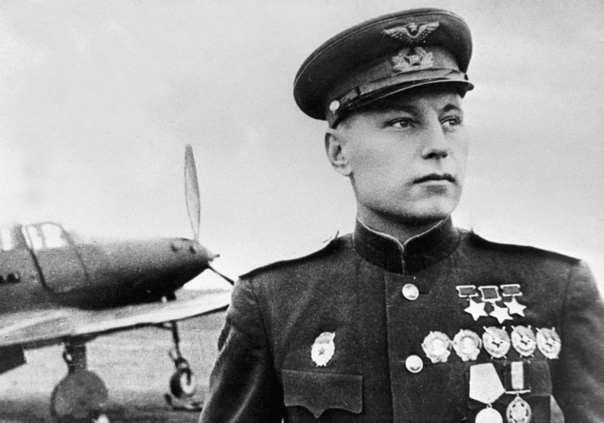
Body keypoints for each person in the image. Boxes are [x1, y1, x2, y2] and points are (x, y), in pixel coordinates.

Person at [199, 8, 604, 423]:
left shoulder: (554, 287)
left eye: (451, 119)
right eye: (402, 123)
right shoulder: (274, 302)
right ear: (339, 152)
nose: (439, 145)